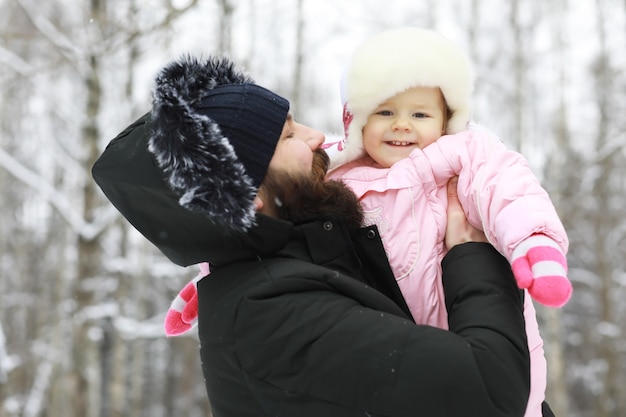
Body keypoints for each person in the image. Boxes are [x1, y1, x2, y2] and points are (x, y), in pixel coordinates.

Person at [93, 55, 531, 417]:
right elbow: (491, 389)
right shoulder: (270, 314)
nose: (318, 136)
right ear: (247, 197)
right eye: (289, 135)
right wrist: (472, 251)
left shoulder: (304, 263)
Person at [323, 27, 569, 417]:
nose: (402, 124)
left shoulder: (463, 159)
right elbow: (275, 227)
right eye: (385, 112)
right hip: (398, 361)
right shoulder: (333, 179)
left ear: (446, 121)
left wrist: (534, 241)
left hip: (477, 332)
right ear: (355, 121)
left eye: (419, 114)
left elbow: (508, 190)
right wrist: (215, 272)